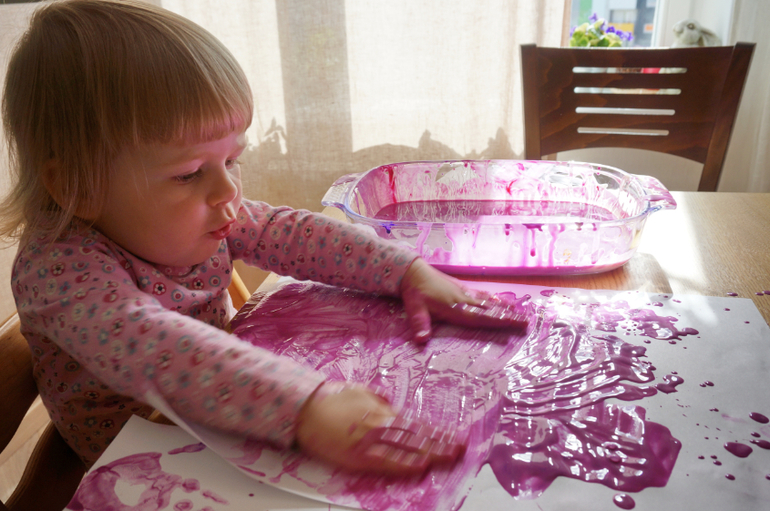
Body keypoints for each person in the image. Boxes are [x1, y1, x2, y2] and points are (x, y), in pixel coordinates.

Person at [1, 0, 526, 475]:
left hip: (218, 421)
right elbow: (156, 345)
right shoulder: (59, 271)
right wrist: (305, 405)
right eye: (189, 173)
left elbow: (292, 234)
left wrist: (406, 271)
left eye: (232, 159)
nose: (228, 190)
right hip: (134, 465)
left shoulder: (205, 211)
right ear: (79, 186)